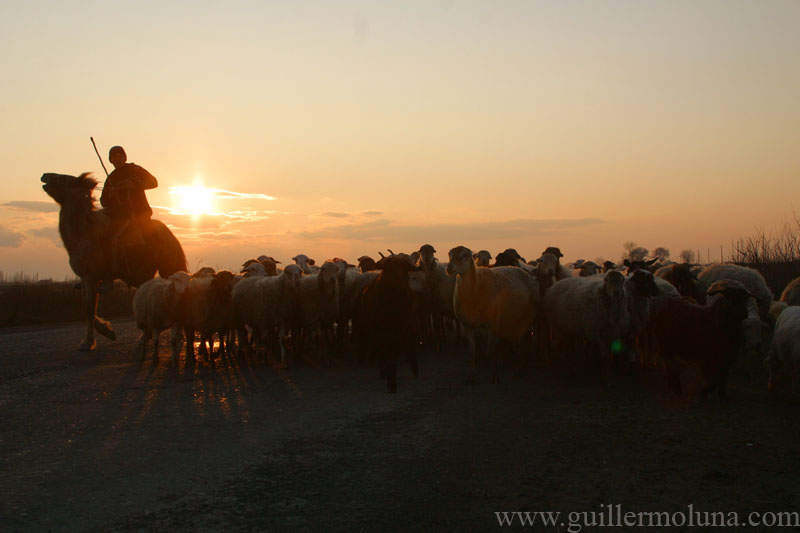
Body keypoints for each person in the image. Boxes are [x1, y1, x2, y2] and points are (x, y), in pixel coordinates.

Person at [98, 145, 158, 293]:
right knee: (102, 238)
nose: (117, 159)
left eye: (120, 156)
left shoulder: (134, 169)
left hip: (139, 214)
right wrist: (112, 194)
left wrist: (135, 185)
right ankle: (104, 276)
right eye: (114, 157)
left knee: (125, 239)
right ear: (110, 160)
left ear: (125, 157)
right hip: (120, 216)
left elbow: (154, 182)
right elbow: (103, 200)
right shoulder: (111, 178)